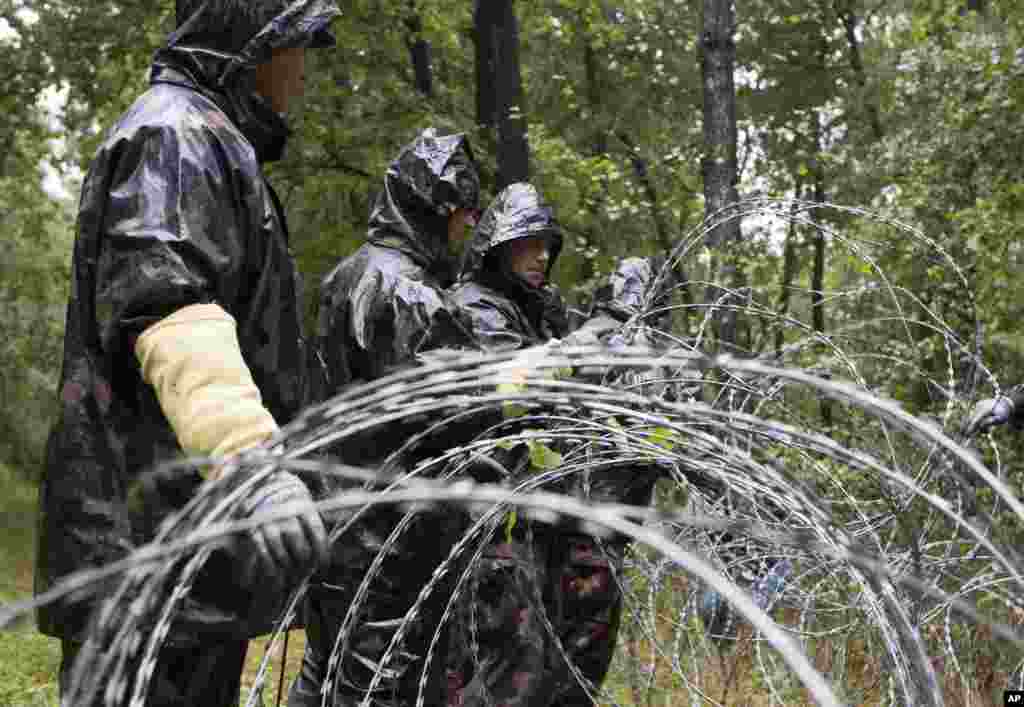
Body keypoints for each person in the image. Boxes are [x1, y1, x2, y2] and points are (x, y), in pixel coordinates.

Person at [35, 1, 340, 704]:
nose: (303, 70)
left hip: (184, 564)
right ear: (253, 42)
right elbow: (169, 306)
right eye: (295, 45)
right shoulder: (173, 136)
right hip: (144, 563)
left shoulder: (212, 141)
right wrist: (248, 460)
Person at [290, 128, 481, 707]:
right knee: (375, 683)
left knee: (322, 671)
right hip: (390, 538)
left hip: (330, 519)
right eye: (463, 212)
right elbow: (460, 408)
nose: (470, 227)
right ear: (434, 208)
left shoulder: (341, 278)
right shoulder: (410, 294)